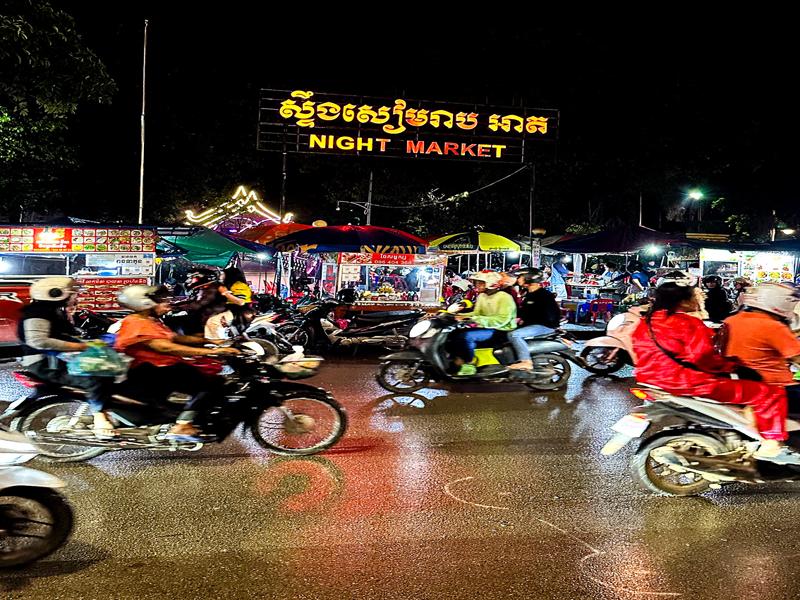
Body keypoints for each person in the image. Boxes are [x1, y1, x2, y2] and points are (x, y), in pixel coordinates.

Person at [632, 278, 796, 463]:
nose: (700, 298)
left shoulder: (645, 322)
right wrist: (730, 366)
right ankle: (771, 444)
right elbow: (704, 358)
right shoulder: (687, 323)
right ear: (683, 301)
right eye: (695, 295)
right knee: (769, 393)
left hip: (651, 379)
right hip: (686, 381)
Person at [114, 285, 240, 441]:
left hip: (163, 367)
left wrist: (210, 341)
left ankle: (190, 418)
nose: (166, 304)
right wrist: (214, 351)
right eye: (159, 301)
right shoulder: (136, 322)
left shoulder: (150, 320)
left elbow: (176, 338)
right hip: (153, 370)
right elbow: (165, 347)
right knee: (212, 383)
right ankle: (183, 425)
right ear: (144, 303)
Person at [17, 277, 114, 433]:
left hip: (56, 361)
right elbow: (38, 341)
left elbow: (66, 335)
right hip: (45, 364)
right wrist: (80, 346)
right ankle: (100, 420)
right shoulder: (37, 313)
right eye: (72, 294)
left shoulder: (54, 311)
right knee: (95, 379)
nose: (74, 297)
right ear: (55, 293)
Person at [723, 284, 800, 410]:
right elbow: (797, 358)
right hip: (777, 387)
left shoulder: (731, 320)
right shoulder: (773, 327)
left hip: (742, 386)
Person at [449, 271, 517, 376]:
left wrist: (474, 319)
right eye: (477, 282)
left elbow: (502, 320)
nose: (477, 285)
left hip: (501, 330)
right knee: (454, 333)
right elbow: (477, 313)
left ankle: (470, 363)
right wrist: (459, 315)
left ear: (491, 283)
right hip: (487, 327)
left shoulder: (504, 297)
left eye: (481, 283)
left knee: (467, 337)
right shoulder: (482, 296)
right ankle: (458, 360)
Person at [507, 269, 562, 369]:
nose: (518, 279)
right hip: (534, 324)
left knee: (514, 335)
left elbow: (549, 316)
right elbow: (524, 311)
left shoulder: (544, 295)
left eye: (521, 277)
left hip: (545, 326)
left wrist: (524, 320)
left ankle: (526, 361)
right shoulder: (529, 294)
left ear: (529, 278)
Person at [172, 269, 227, 335]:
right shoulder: (204, 287)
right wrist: (175, 304)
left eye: (194, 277)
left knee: (174, 321)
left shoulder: (213, 288)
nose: (191, 279)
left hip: (208, 319)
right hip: (202, 315)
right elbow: (193, 300)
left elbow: (198, 304)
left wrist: (176, 308)